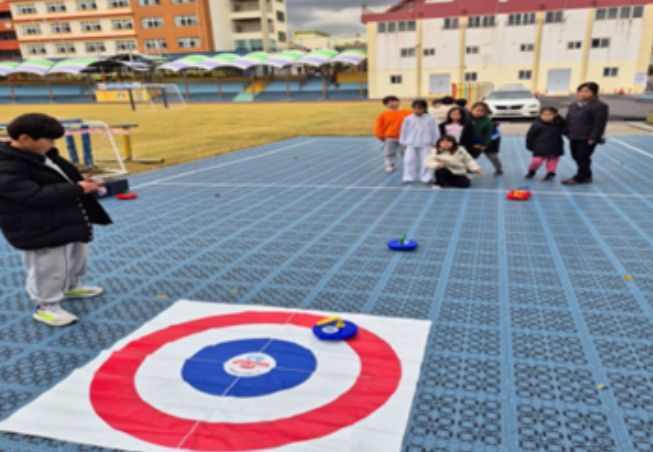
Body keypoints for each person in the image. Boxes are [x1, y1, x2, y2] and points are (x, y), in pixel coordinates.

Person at [0, 113, 112, 326]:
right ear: (25, 138)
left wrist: (80, 181)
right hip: (38, 227)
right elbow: (32, 195)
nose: (53, 144)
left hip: (63, 219)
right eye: (49, 139)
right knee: (49, 268)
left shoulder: (43, 155)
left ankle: (71, 286)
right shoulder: (6, 165)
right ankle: (46, 306)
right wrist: (78, 188)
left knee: (76, 257)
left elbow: (58, 179)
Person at [562, 82, 609, 185]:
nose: (582, 94)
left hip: (587, 137)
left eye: (586, 91)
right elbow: (568, 119)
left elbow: (599, 123)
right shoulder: (574, 105)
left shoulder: (600, 106)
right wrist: (565, 131)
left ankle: (580, 177)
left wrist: (594, 137)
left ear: (594, 92)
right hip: (574, 135)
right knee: (576, 156)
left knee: (582, 157)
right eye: (580, 91)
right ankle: (587, 175)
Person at [400, 99, 440, 184]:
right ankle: (408, 177)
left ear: (424, 109)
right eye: (415, 108)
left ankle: (426, 177)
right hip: (411, 142)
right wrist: (403, 141)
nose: (417, 110)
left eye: (420, 108)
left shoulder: (430, 119)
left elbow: (435, 131)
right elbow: (404, 131)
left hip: (426, 142)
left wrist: (436, 141)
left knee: (426, 160)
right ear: (412, 108)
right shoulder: (408, 119)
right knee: (408, 160)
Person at [525, 107, 566, 181]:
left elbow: (566, 130)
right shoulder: (536, 124)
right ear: (540, 115)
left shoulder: (559, 124)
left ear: (555, 115)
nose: (547, 116)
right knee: (537, 161)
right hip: (540, 147)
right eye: (544, 114)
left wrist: (561, 120)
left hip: (555, 146)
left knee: (552, 161)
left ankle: (550, 173)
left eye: (549, 114)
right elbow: (530, 135)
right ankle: (532, 171)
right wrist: (530, 145)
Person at [375, 95, 412, 173]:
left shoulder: (408, 112)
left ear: (398, 102)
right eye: (389, 103)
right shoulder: (383, 115)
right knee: (389, 152)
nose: (392, 104)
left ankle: (408, 165)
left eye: (394, 101)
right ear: (386, 105)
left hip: (404, 137)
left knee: (406, 152)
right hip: (389, 137)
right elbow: (379, 126)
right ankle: (389, 164)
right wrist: (380, 136)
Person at [471, 101, 503, 175]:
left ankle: (498, 168)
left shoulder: (486, 121)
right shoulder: (467, 117)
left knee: (492, 156)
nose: (479, 113)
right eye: (477, 110)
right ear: (472, 109)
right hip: (475, 139)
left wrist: (485, 145)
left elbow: (487, 135)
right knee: (471, 156)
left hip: (491, 139)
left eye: (482, 111)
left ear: (485, 112)